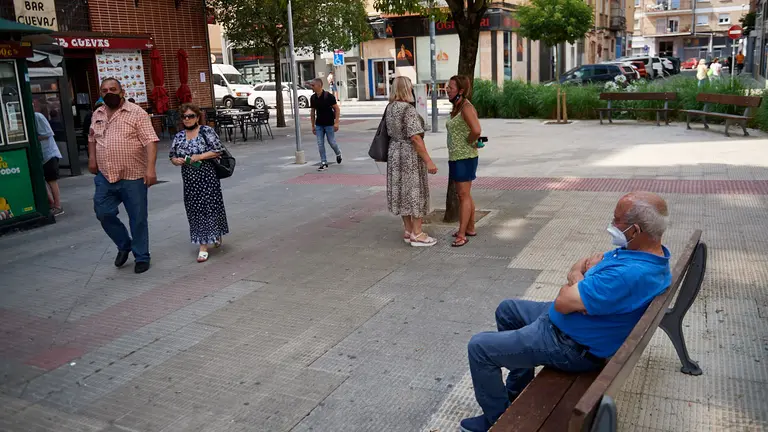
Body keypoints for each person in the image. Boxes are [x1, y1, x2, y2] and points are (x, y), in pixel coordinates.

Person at [460, 192, 672, 432]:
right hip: (568, 325)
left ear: (635, 230)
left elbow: (563, 300)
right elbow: (579, 266)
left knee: (480, 348)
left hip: (570, 345)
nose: (611, 224)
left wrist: (578, 279)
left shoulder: (628, 274)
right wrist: (580, 279)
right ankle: (517, 391)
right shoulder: (644, 254)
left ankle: (499, 422)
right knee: (507, 310)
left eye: (616, 219)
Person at [89, 78, 159, 274]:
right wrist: (92, 159)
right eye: (104, 90)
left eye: (113, 89)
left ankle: (141, 256)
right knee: (103, 212)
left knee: (138, 218)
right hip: (105, 175)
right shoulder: (97, 113)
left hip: (133, 176)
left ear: (122, 92)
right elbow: (92, 138)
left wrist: (151, 169)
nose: (109, 93)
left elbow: (150, 141)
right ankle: (124, 244)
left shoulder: (137, 113)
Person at [169, 103, 229, 263]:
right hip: (189, 179)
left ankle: (204, 246)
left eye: (191, 116)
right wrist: (176, 160)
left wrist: (200, 156)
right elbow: (172, 155)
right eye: (184, 117)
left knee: (209, 207)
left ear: (197, 117)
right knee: (194, 210)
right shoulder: (179, 136)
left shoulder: (206, 131)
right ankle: (209, 235)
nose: (187, 119)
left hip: (207, 176)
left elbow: (218, 150)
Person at [386, 76, 438, 247]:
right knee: (415, 191)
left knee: (402, 191)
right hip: (409, 155)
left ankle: (408, 230)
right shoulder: (408, 109)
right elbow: (415, 137)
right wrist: (429, 161)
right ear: (407, 89)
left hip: (395, 154)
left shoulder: (390, 107)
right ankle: (418, 234)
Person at [445, 75, 482, 248]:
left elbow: (476, 130)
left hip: (465, 157)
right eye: (447, 86)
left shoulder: (466, 107)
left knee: (463, 195)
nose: (447, 89)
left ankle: (461, 234)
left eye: (451, 87)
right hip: (456, 156)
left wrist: (469, 142)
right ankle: (470, 228)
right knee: (464, 194)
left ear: (460, 90)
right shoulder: (457, 107)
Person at [32, 98, 64, 216]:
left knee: (51, 180)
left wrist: (33, 137)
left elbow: (48, 133)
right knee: (42, 179)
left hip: (48, 153)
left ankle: (58, 206)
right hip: (41, 155)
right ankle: (51, 203)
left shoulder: (38, 116)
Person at [310, 77, 342, 172]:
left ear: (319, 85)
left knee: (331, 142)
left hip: (329, 124)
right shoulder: (313, 98)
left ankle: (338, 153)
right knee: (320, 143)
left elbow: (337, 109)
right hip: (319, 124)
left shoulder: (328, 96)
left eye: (313, 85)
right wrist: (312, 125)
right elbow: (312, 112)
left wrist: (336, 123)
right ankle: (324, 162)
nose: (312, 87)